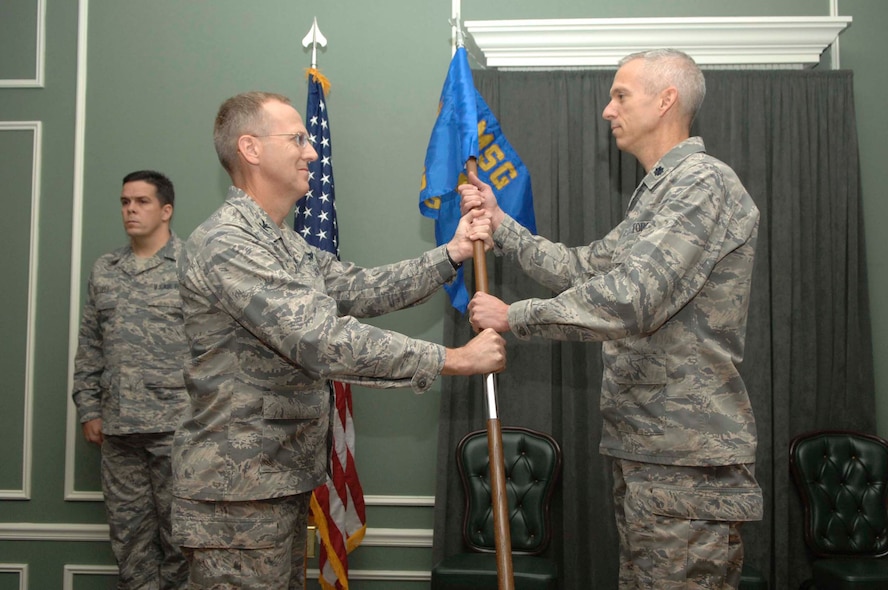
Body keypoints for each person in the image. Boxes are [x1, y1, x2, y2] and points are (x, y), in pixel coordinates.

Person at [171, 91, 505, 589]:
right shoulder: (229, 243)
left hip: (274, 482)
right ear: (251, 148)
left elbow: (358, 288)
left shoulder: (281, 241)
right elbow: (322, 339)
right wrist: (452, 359)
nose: (312, 153)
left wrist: (452, 254)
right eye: (298, 140)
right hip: (235, 496)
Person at [460, 49, 763, 589]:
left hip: (687, 460)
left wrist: (516, 316)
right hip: (650, 450)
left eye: (621, 95)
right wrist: (503, 225)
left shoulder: (702, 185)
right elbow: (585, 269)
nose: (607, 109)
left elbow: (632, 298)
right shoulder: (660, 194)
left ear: (666, 99)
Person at [72, 169, 190, 589]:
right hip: (118, 431)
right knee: (129, 543)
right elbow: (90, 344)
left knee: (183, 541)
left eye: (141, 202)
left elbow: (214, 347)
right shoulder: (106, 269)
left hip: (176, 428)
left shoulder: (191, 266)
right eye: (125, 202)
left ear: (166, 210)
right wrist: (88, 407)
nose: (131, 210)